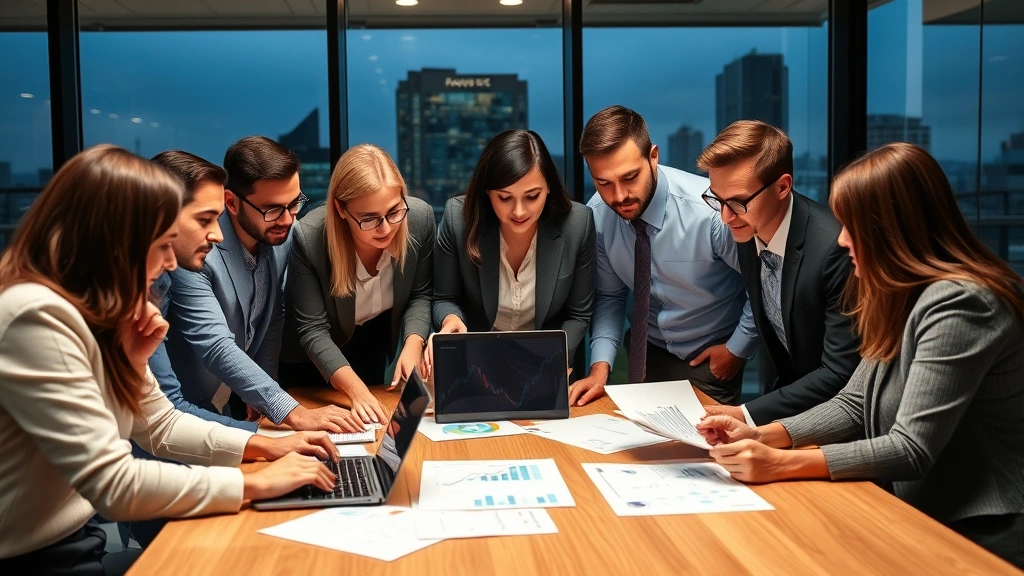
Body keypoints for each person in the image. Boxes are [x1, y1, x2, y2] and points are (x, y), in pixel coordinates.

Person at [0, 145, 340, 574]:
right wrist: (251, 482)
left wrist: (268, 447)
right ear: (117, 238)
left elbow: (159, 425)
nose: (167, 264)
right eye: (159, 245)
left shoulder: (97, 317)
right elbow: (115, 483)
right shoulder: (36, 316)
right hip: (32, 557)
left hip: (75, 538)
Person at [697, 143, 1024, 569]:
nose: (841, 238)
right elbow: (855, 402)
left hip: (983, 528)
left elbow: (910, 448)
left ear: (895, 230)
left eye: (852, 226)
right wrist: (762, 435)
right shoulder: (898, 295)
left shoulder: (962, 304)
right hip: (921, 510)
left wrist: (780, 463)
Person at [163, 137, 363, 433]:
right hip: (184, 415)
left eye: (294, 203)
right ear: (231, 202)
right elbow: (216, 344)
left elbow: (271, 317)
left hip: (232, 407)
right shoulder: (193, 249)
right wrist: (289, 410)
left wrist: (263, 394)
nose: (288, 219)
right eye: (272, 209)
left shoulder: (281, 235)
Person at [569, 105, 758, 407]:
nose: (618, 196)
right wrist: (600, 367)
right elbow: (610, 297)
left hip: (709, 358)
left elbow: (760, 285)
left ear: (653, 157)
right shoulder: (599, 215)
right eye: (603, 182)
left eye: (630, 177)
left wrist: (736, 350)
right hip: (646, 352)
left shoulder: (709, 212)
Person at [696, 121, 860, 425]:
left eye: (737, 202)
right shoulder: (747, 227)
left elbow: (841, 373)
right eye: (717, 199)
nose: (725, 216)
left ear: (782, 187)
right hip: (787, 407)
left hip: (839, 419)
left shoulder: (833, 248)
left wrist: (747, 414)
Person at [279, 144, 434, 424]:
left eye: (394, 211)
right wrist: (356, 390)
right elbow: (313, 330)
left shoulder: (420, 219)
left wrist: (413, 344)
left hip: (371, 345)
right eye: (369, 218)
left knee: (373, 430)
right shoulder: (309, 238)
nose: (386, 228)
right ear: (340, 208)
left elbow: (420, 294)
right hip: (308, 361)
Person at [426, 129, 595, 372]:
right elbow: (444, 298)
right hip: (474, 365)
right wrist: (451, 320)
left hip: (544, 364)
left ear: (549, 188)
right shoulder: (458, 219)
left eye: (532, 196)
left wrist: (553, 359)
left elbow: (578, 315)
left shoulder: (578, 224)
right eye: (505, 198)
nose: (519, 211)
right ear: (488, 193)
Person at [145, 150, 254, 431]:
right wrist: (266, 441)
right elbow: (163, 420)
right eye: (205, 220)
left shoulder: (159, 282)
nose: (218, 236)